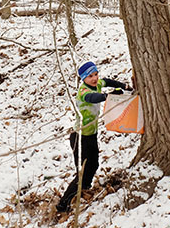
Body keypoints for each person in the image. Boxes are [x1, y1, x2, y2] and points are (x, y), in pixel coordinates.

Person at [55, 60, 130, 213]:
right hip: (80, 137)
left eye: (95, 74)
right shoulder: (83, 92)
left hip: (91, 135)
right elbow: (93, 98)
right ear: (83, 78)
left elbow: (107, 81)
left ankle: (84, 189)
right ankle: (63, 205)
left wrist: (123, 86)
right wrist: (108, 95)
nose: (94, 78)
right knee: (81, 172)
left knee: (94, 164)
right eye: (90, 76)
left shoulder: (97, 84)